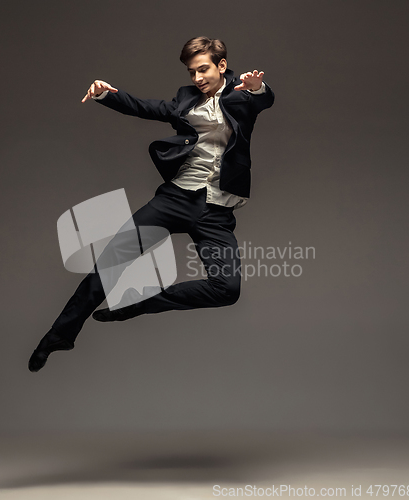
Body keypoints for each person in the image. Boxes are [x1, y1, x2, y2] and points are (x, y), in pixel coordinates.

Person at [28, 36, 275, 372]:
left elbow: (264, 100)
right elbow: (146, 107)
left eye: (203, 69)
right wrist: (106, 93)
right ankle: (59, 335)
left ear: (221, 65)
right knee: (111, 261)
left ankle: (141, 304)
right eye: (192, 72)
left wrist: (258, 88)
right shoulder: (186, 99)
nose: (197, 78)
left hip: (215, 211)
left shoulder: (243, 92)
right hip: (175, 198)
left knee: (226, 289)